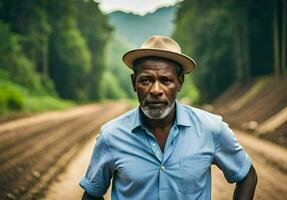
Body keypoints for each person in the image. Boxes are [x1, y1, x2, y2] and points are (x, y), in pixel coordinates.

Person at [80, 36, 257, 200]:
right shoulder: (111, 136)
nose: (156, 90)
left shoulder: (211, 129)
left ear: (180, 82)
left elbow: (247, 175)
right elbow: (91, 194)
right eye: (146, 80)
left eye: (166, 80)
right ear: (134, 83)